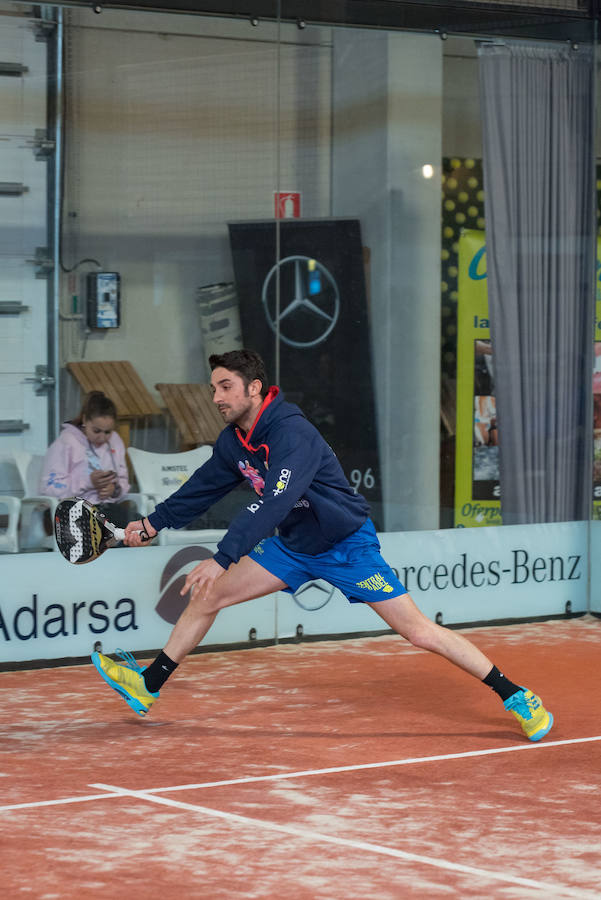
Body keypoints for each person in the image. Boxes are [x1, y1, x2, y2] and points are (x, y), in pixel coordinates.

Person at [92, 349, 553, 742]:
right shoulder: (234, 442)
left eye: (226, 387)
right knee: (210, 595)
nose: (216, 398)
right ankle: (149, 683)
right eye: (214, 388)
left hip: (347, 546)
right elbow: (202, 487)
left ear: (254, 389)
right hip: (294, 547)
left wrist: (223, 556)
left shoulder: (293, 434)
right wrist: (151, 523)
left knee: (419, 633)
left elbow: (275, 500)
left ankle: (515, 694)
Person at [40, 390, 135, 528]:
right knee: (114, 531)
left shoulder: (115, 440)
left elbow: (123, 480)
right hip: (68, 511)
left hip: (105, 508)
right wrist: (87, 482)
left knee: (141, 530)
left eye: (107, 432)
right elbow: (48, 488)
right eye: (96, 431)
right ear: (84, 420)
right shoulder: (66, 442)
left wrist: (114, 489)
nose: (102, 437)